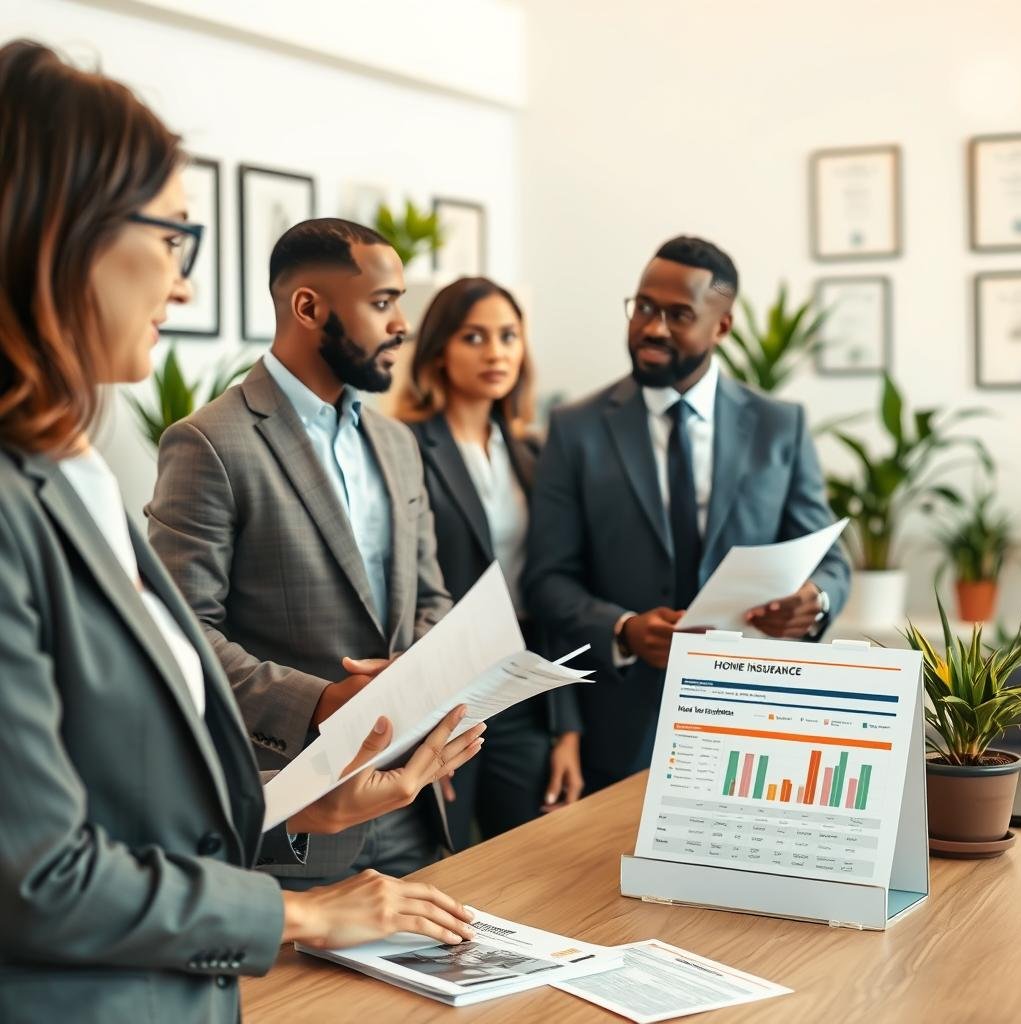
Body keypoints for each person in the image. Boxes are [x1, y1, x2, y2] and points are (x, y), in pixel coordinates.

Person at [0, 40, 483, 1023]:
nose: (182, 285)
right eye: (175, 238)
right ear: (61, 233)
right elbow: (38, 874)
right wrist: (300, 916)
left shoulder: (76, 476)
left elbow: (137, 790)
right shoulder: (53, 493)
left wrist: (302, 810)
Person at [148, 218, 457, 887]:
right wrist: (320, 702)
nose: (402, 323)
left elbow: (430, 596)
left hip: (414, 802)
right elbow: (179, 635)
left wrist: (427, 682)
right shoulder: (209, 443)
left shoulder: (398, 444)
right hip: (298, 811)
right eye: (383, 302)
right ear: (309, 307)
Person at [524, 235, 851, 792]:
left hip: (756, 713)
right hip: (621, 723)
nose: (652, 328)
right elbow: (546, 578)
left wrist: (812, 602)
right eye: (644, 307)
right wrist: (623, 629)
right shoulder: (575, 429)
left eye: (679, 315)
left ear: (721, 326)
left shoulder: (780, 426)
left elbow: (831, 560)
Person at [396, 277, 584, 848]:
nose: (496, 351)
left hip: (524, 689)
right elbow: (399, 592)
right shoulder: (404, 446)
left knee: (528, 857)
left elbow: (550, 588)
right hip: (444, 692)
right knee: (443, 856)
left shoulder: (533, 453)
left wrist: (567, 726)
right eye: (474, 336)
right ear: (438, 352)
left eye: (508, 336)